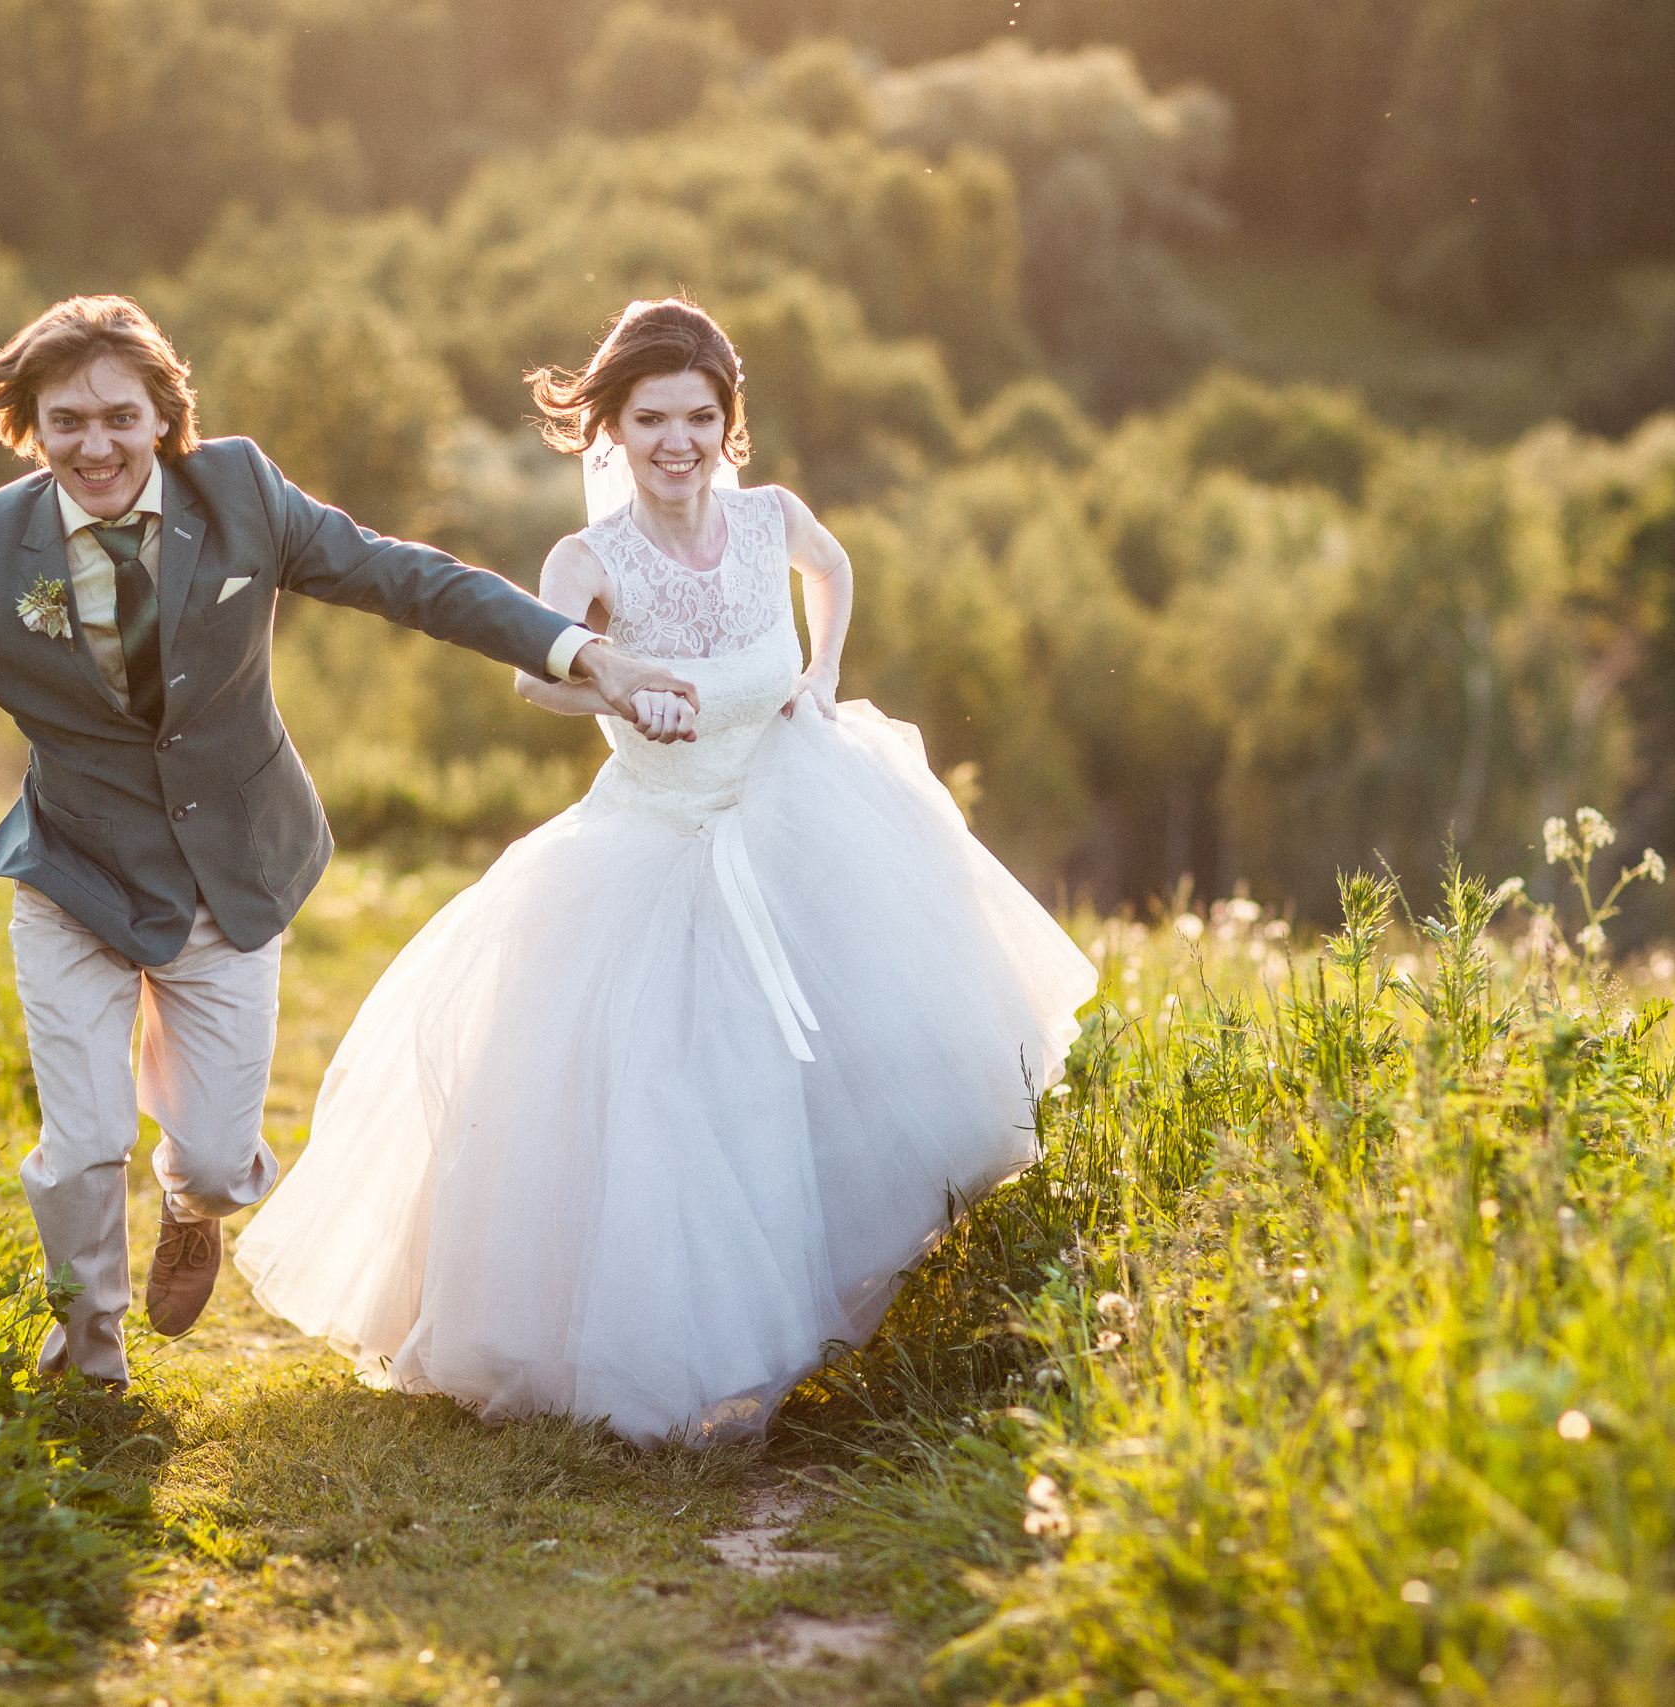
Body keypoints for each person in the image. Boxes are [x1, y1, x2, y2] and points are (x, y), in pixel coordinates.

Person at [0, 295, 700, 1386]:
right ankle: (89, 1341)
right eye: (67, 420)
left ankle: (191, 1206)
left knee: (211, 1154)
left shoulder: (244, 496)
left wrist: (577, 653)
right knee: (80, 1138)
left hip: (232, 870)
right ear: (30, 428)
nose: (96, 444)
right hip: (76, 876)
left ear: (163, 414)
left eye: (120, 416)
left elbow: (409, 579)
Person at [234, 299, 1098, 1445]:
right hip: (651, 846)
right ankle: (699, 1366)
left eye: (700, 415)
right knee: (679, 1100)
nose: (676, 440)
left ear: (729, 423)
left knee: (856, 1065)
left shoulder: (769, 519)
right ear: (612, 428)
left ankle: (869, 1320)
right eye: (651, 418)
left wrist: (823, 674)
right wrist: (613, 683)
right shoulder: (588, 557)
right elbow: (533, 679)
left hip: (800, 818)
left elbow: (831, 569)